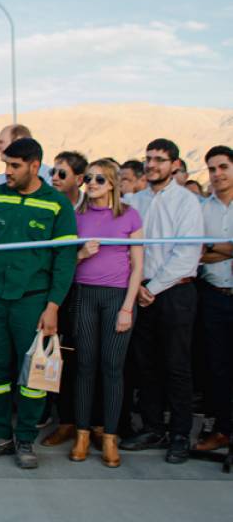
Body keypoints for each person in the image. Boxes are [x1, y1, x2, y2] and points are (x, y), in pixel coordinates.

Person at [0, 138, 77, 469]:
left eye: (15, 166)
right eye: (6, 164)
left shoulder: (56, 205)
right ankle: (1, 435)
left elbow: (65, 260)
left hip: (32, 302)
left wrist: (53, 307)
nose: (7, 171)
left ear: (35, 166)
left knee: (33, 374)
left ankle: (25, 439)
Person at [121, 138, 203, 464]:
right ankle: (153, 427)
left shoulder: (187, 202)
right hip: (140, 293)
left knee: (177, 366)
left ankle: (180, 434)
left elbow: (187, 255)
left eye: (160, 159)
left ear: (175, 165)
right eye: (148, 157)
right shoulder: (133, 201)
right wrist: (138, 287)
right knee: (146, 364)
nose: (152, 164)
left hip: (174, 293)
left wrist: (151, 287)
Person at [69, 160, 143, 467]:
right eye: (88, 178)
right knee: (84, 366)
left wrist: (128, 306)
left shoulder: (130, 215)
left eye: (99, 178)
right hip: (84, 295)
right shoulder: (76, 216)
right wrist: (81, 254)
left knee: (112, 368)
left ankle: (111, 438)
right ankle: (82, 434)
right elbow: (65, 263)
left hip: (117, 298)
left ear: (112, 182)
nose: (92, 182)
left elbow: (138, 265)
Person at [41, 149, 88, 446]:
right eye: (52, 173)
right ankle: (59, 418)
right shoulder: (49, 205)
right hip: (53, 289)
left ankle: (82, 422)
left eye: (62, 173)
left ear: (79, 179)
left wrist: (79, 257)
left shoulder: (88, 209)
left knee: (77, 358)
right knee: (49, 355)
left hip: (83, 290)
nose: (55, 178)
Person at [194, 145, 233, 453]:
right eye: (211, 169)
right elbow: (196, 253)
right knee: (217, 367)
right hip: (214, 296)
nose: (217, 174)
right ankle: (222, 430)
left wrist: (213, 250)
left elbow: (207, 251)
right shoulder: (202, 208)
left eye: (223, 167)